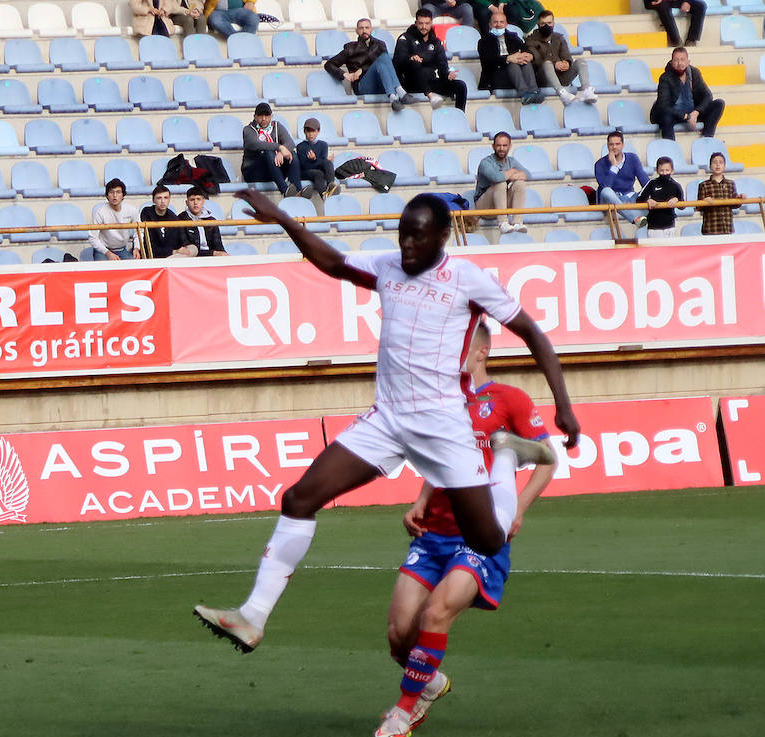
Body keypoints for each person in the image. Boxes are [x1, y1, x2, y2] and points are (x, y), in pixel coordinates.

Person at [193, 189, 578, 655]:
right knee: (298, 498)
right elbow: (334, 263)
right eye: (402, 236)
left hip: (443, 425)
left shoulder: (467, 278)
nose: (407, 246)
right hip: (389, 418)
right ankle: (252, 616)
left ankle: (503, 457)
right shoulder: (388, 267)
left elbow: (532, 331)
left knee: (487, 539)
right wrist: (283, 220)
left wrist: (564, 404)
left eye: (417, 237)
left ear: (441, 235)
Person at [373, 322, 556, 737]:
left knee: (436, 614)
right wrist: (421, 499)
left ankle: (403, 712)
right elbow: (443, 460)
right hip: (434, 532)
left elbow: (547, 460)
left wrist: (519, 509)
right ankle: (430, 682)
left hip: (480, 535)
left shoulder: (509, 400)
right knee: (400, 635)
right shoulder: (444, 404)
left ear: (480, 354)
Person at [324, 19, 409, 113]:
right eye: (361, 28)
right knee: (383, 58)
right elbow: (329, 64)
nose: (364, 31)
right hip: (363, 86)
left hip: (382, 84)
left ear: (371, 29)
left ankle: (394, 97)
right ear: (357, 31)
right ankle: (399, 92)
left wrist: (361, 69)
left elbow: (383, 65)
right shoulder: (350, 48)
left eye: (367, 27)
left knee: (384, 59)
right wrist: (345, 75)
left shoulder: (380, 44)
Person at [393, 10, 467, 112]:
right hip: (411, 83)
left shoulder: (436, 42)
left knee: (461, 86)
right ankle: (431, 96)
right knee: (415, 63)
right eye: (421, 23)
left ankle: (460, 117)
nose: (424, 27)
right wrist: (410, 58)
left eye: (427, 23)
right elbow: (397, 61)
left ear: (431, 23)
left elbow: (442, 66)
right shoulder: (405, 38)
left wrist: (448, 74)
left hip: (430, 81)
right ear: (416, 23)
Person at [649, 46, 724, 140]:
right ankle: (670, 147)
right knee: (666, 117)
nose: (679, 63)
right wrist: (686, 116)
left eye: (682, 60)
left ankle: (707, 139)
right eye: (676, 60)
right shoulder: (665, 78)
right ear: (672, 62)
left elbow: (707, 96)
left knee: (719, 103)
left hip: (692, 112)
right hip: (675, 114)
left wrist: (696, 112)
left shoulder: (694, 73)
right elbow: (663, 105)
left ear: (688, 62)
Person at [526, 10, 595, 106]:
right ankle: (562, 94)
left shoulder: (559, 38)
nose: (546, 26)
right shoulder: (531, 40)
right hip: (544, 78)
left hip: (562, 76)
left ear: (553, 23)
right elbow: (537, 60)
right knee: (547, 64)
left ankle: (587, 90)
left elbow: (566, 54)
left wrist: (566, 62)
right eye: (543, 24)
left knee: (580, 61)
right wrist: (555, 63)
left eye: (549, 23)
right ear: (538, 24)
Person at [478, 10, 541, 106]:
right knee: (513, 64)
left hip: (515, 77)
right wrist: (508, 59)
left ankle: (534, 91)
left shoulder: (513, 37)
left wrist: (529, 56)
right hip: (495, 76)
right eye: (495, 22)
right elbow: (488, 61)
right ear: (490, 25)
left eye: (501, 22)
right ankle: (524, 93)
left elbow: (525, 49)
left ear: (506, 24)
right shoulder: (484, 41)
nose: (498, 25)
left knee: (525, 62)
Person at [242, 103, 302, 198]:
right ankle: (285, 190)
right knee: (268, 153)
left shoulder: (277, 126)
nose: (264, 118)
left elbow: (290, 143)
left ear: (271, 116)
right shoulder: (248, 129)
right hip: (254, 171)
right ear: (255, 117)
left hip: (274, 169)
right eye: (261, 115)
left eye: (267, 115)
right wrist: (279, 147)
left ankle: (298, 190)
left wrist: (281, 153)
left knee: (292, 154)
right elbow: (255, 144)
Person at [475, 131, 530, 234]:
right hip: (484, 205)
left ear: (510, 146)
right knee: (500, 183)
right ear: (493, 146)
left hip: (501, 203)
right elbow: (496, 177)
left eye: (505, 145)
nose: (501, 148)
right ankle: (503, 223)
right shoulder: (486, 162)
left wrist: (511, 175)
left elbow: (527, 174)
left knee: (520, 183)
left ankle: (517, 222)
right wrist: (513, 171)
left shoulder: (511, 161)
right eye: (498, 145)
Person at [594, 130, 648, 226]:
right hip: (610, 199)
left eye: (617, 144)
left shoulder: (632, 158)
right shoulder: (600, 164)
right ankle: (635, 219)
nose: (614, 147)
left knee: (653, 191)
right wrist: (614, 166)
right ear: (607, 146)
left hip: (629, 197)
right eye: (611, 144)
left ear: (622, 145)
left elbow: (645, 181)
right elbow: (606, 186)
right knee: (606, 191)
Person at [89, 178, 142, 260]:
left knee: (133, 268)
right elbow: (93, 237)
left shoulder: (132, 210)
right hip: (103, 251)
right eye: (111, 192)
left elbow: (139, 231)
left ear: (123, 195)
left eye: (118, 192)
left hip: (122, 250)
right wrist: (108, 253)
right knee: (103, 271)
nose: (114, 195)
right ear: (107, 195)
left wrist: (137, 248)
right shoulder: (100, 212)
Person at [141, 185, 197, 258]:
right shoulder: (147, 213)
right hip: (155, 255)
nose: (163, 201)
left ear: (169, 199)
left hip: (173, 255)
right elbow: (148, 245)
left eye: (166, 198)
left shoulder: (173, 217)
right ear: (153, 200)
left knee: (193, 249)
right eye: (159, 198)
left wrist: (184, 248)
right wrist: (173, 251)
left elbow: (182, 239)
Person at [637, 156, 683, 237]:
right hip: (654, 227)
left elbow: (682, 205)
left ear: (672, 171)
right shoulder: (652, 183)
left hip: (670, 226)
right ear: (657, 171)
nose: (664, 173)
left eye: (667, 170)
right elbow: (639, 199)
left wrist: (677, 200)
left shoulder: (676, 185)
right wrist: (648, 200)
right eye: (661, 170)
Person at [696, 152, 739, 236]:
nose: (718, 165)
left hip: (727, 228)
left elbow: (735, 205)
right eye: (715, 162)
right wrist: (705, 202)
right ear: (710, 166)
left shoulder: (731, 183)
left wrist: (740, 199)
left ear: (724, 166)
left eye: (721, 162)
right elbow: (698, 207)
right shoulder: (703, 185)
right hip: (710, 228)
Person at [295, 118, 338, 200]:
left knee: (328, 163)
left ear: (318, 131)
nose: (311, 134)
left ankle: (330, 186)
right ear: (304, 132)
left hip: (318, 169)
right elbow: (304, 165)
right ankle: (324, 195)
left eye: (313, 131)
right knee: (318, 173)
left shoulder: (323, 145)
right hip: (305, 172)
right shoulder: (301, 146)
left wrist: (315, 159)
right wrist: (315, 160)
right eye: (308, 131)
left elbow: (323, 162)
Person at [182, 187, 227, 256]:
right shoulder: (180, 220)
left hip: (212, 257)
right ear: (186, 203)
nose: (195, 203)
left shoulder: (211, 220)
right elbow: (187, 250)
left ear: (203, 201)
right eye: (192, 200)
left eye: (198, 199)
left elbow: (218, 246)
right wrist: (212, 253)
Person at [132, 0, 207, 37]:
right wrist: (148, 9)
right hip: (175, 14)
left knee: (202, 18)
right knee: (188, 20)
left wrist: (196, 10)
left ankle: (199, 43)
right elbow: (173, 6)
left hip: (163, 15)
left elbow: (197, 2)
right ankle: (191, 46)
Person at [473, 0, 544, 34]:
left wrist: (501, 5)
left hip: (499, 3)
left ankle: (512, 36)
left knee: (514, 11)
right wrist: (491, 7)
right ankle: (487, 38)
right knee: (484, 13)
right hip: (481, 3)